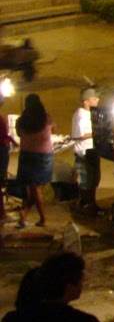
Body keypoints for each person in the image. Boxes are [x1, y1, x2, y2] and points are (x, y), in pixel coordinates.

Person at [14, 93, 54, 228]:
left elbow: (19, 133)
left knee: (32, 189)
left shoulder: (21, 120)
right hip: (43, 156)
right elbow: (53, 129)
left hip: (27, 155)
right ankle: (42, 218)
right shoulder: (46, 118)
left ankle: (24, 214)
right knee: (37, 190)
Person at [71, 87, 101, 211]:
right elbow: (80, 134)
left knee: (94, 180)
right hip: (84, 152)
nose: (97, 100)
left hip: (93, 151)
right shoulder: (80, 115)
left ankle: (92, 204)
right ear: (86, 101)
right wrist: (98, 132)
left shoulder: (92, 114)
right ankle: (84, 206)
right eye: (94, 98)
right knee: (86, 181)